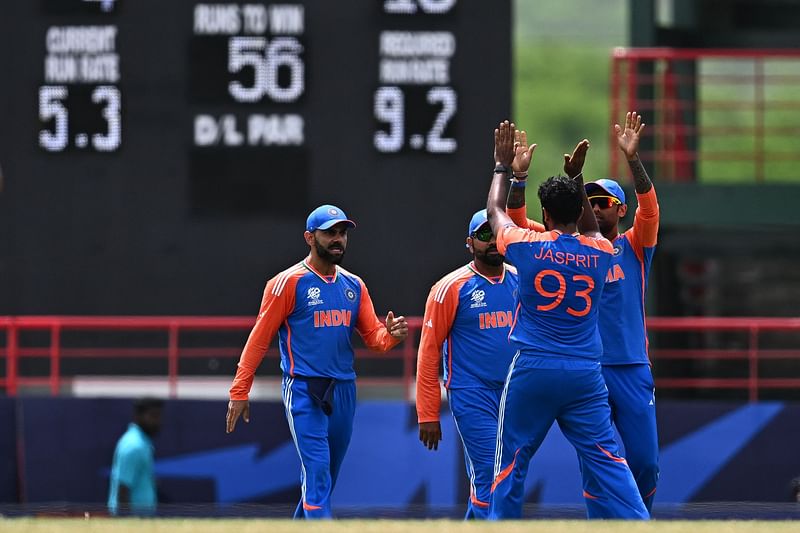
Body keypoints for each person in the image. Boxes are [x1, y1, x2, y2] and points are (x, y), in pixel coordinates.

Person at [486, 120, 648, 519]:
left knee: (511, 463)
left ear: (544, 213)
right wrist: (577, 179)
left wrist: (503, 168)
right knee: (609, 462)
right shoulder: (601, 254)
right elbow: (595, 235)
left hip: (534, 368)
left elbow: (495, 212)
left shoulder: (526, 246)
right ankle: (641, 524)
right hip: (584, 374)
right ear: (580, 209)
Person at [225, 204, 409, 519]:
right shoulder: (287, 283)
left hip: (344, 391)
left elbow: (375, 339)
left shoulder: (354, 286)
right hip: (304, 390)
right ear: (310, 237)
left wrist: (391, 336)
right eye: (329, 233)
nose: (338, 239)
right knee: (318, 472)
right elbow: (259, 339)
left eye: (342, 233)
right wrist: (239, 391)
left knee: (324, 479)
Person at [416, 208, 519, 519]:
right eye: (484, 236)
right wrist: (427, 412)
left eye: (497, 235)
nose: (492, 242)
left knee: (507, 476)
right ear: (470, 243)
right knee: (489, 473)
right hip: (472, 393)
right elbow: (429, 350)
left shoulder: (520, 279)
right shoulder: (451, 287)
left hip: (515, 393)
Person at [107, 397, 164, 516]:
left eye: (159, 416)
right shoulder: (134, 446)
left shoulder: (142, 443)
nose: (157, 421)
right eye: (153, 416)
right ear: (138, 416)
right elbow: (122, 490)